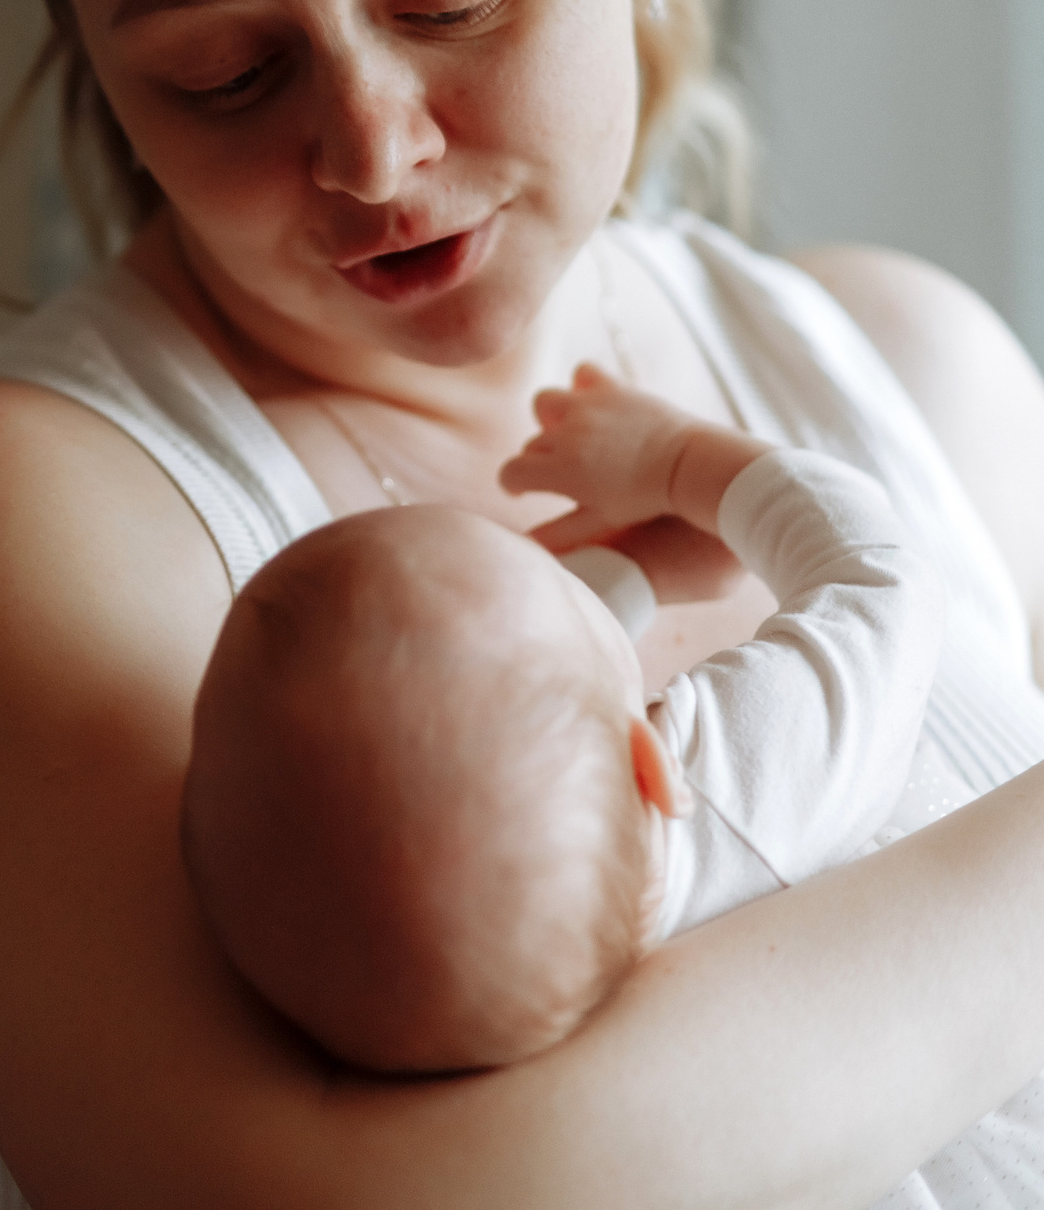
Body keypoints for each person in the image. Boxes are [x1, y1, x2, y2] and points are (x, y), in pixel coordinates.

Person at [0, 0, 1044, 1207]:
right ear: (86, 37)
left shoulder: (921, 376)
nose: (374, 155)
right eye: (225, 71)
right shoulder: (16, 509)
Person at [185, 367, 939, 1074]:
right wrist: (680, 462)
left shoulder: (485, 974)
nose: (559, 567)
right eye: (556, 583)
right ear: (651, 764)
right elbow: (882, 578)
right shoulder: (733, 797)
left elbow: (515, 715)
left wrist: (636, 576)